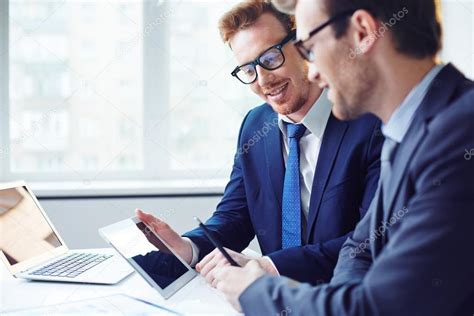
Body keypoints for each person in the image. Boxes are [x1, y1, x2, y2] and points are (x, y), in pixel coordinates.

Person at [212, 0, 474, 315]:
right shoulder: (408, 126)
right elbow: (359, 250)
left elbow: (377, 308)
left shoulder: (460, 136)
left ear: (362, 32)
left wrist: (257, 292)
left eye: (309, 48)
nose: (315, 73)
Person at [137, 0, 382, 287]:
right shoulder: (256, 126)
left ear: (301, 43)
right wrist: (187, 248)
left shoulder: (368, 121)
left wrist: (270, 266)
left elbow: (374, 239)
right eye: (248, 69)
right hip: (272, 301)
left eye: (270, 58)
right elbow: (234, 216)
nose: (263, 79)